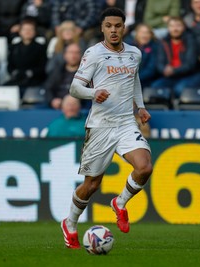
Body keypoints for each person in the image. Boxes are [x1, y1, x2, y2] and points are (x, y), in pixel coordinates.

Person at [61, 7, 152, 249]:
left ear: (124, 28)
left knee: (144, 167)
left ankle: (120, 203)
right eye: (109, 26)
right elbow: (74, 88)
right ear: (102, 28)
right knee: (92, 184)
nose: (113, 30)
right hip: (101, 126)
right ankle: (70, 223)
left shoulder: (134, 54)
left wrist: (140, 107)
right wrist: (93, 92)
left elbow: (134, 80)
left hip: (125, 123)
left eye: (118, 26)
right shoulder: (94, 54)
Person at [150, 16, 197, 98]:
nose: (175, 29)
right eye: (172, 26)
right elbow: (159, 62)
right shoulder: (163, 42)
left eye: (178, 25)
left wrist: (174, 70)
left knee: (179, 89)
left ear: (184, 27)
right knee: (155, 87)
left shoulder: (190, 40)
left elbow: (190, 64)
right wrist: (164, 69)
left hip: (186, 76)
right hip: (168, 76)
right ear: (168, 28)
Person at [6, 19, 47, 95]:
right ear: (20, 32)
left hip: (35, 80)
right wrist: (15, 73)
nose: (27, 32)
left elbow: (43, 67)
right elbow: (9, 66)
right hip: (17, 79)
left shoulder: (41, 47)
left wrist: (30, 73)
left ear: (34, 32)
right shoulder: (14, 47)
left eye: (30, 29)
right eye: (25, 29)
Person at [44, 43, 82, 110]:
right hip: (57, 107)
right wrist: (52, 100)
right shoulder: (57, 71)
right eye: (71, 52)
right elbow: (48, 88)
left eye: (76, 53)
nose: (73, 55)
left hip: (78, 107)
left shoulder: (87, 72)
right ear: (65, 55)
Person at [128, 23, 159, 88]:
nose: (144, 35)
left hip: (147, 81)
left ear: (151, 35)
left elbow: (151, 69)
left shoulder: (155, 47)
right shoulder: (129, 46)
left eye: (147, 33)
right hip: (130, 79)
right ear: (137, 34)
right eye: (142, 32)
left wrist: (135, 78)